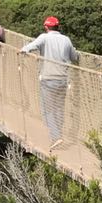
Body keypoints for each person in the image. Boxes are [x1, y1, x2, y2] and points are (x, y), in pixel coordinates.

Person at [21, 16, 79, 148]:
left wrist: (23, 50)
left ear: (46, 27)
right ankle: (58, 133)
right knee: (59, 108)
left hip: (48, 79)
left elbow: (30, 46)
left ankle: (56, 136)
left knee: (48, 109)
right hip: (63, 79)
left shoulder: (44, 37)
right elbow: (74, 57)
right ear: (58, 27)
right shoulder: (66, 39)